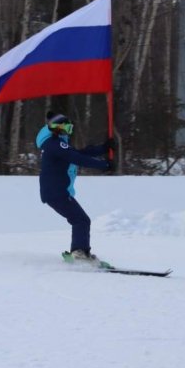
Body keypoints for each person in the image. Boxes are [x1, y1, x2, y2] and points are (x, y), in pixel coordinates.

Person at [35, 111, 115, 264]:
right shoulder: (54, 144)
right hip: (56, 193)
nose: (70, 131)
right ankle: (79, 254)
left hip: (56, 192)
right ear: (59, 127)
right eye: (68, 127)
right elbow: (77, 158)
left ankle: (80, 251)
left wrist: (103, 148)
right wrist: (103, 165)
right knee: (80, 220)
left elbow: (77, 153)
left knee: (80, 220)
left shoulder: (55, 143)